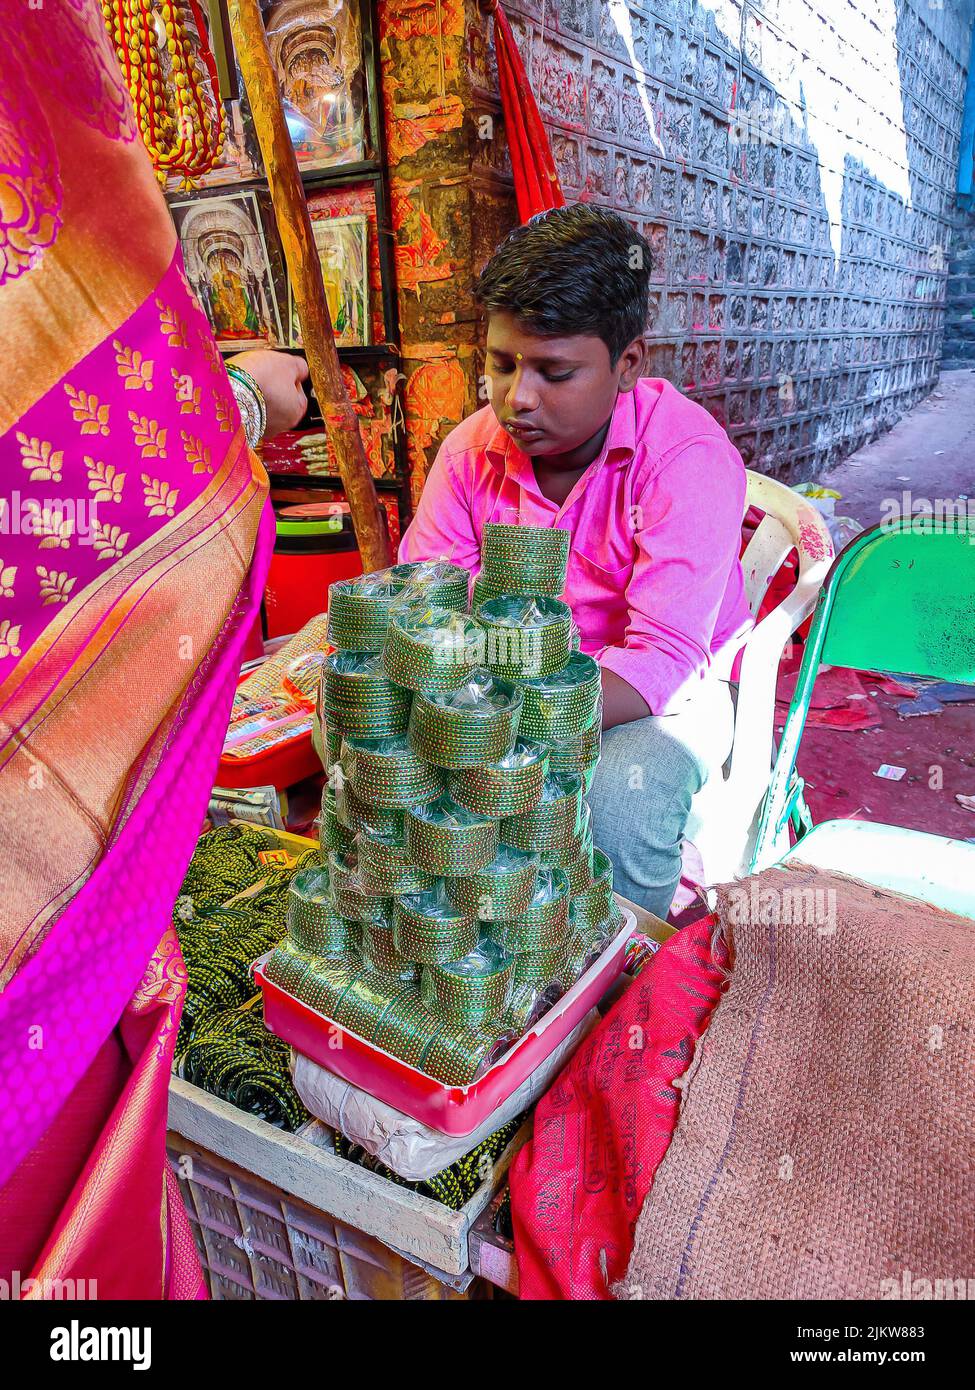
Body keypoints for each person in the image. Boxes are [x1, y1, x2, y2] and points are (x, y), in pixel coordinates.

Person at [399, 203, 753, 918]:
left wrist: (501, 727)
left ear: (626, 365)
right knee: (376, 752)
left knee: (616, 811)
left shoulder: (685, 459)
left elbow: (660, 657)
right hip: (507, 681)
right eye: (500, 365)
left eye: (553, 372)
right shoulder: (470, 453)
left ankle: (617, 994)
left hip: (655, 692)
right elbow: (429, 594)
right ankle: (476, 955)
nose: (516, 399)